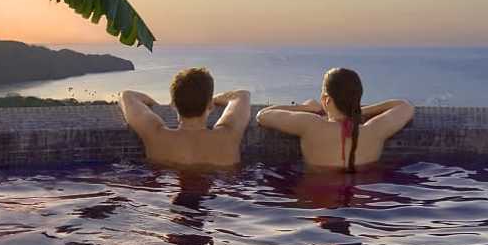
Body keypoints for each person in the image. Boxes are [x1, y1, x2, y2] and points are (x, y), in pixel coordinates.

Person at [256, 67, 414, 172]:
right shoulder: (375, 130)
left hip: (317, 199)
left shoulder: (310, 125)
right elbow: (404, 106)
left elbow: (262, 115)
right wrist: (357, 112)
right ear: (358, 98)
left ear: (326, 99)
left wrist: (307, 108)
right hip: (363, 203)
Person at [119, 67, 251, 168]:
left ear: (173, 104)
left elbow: (127, 96)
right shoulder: (229, 135)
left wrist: (156, 105)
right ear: (210, 105)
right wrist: (207, 100)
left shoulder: (155, 134)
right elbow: (241, 95)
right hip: (219, 202)